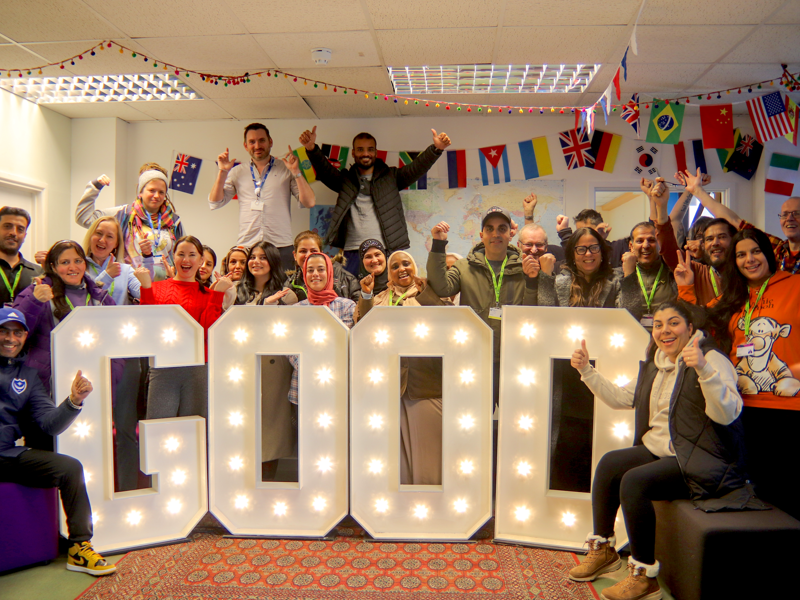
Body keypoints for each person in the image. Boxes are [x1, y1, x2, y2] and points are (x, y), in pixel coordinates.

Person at [568, 300, 757, 600]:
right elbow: (620, 398)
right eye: (658, 324)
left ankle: (644, 576)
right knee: (610, 464)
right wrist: (586, 371)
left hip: (704, 460)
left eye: (673, 323)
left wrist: (704, 369)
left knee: (634, 481)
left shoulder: (711, 360)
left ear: (691, 328)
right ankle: (603, 549)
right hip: (662, 450)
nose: (664, 330)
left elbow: (727, 414)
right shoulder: (657, 364)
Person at [677, 228, 800, 518]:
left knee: (792, 487)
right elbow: (697, 320)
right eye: (741, 255)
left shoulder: (795, 285)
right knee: (763, 491)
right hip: (745, 407)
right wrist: (685, 288)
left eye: (755, 251)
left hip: (790, 407)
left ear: (768, 255)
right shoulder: (734, 297)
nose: (749, 260)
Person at [0, 308, 116, 576]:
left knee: (70, 468)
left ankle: (79, 547)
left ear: (25, 336)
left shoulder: (28, 377)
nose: (10, 338)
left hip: (6, 454)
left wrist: (74, 401)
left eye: (17, 332)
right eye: (4, 331)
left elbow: (50, 424)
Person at [298, 126, 451, 275]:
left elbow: (416, 168)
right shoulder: (345, 180)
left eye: (370, 149)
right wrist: (311, 148)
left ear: (376, 152)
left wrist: (436, 149)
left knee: (386, 297)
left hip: (385, 250)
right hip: (352, 252)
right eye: (360, 149)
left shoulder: (391, 177)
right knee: (351, 297)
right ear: (353, 152)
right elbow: (324, 171)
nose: (366, 153)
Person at [357, 250, 449, 484]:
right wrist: (366, 295)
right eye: (395, 266)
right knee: (395, 458)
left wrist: (426, 292)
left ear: (415, 267)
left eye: (406, 263)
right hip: (390, 387)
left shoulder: (429, 295)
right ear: (389, 274)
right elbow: (364, 330)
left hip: (426, 386)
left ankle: (430, 506)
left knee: (429, 455)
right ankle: (404, 509)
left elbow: (447, 323)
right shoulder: (379, 299)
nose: (401, 269)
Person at [426, 206, 526, 407]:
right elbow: (441, 287)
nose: (495, 234)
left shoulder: (523, 267)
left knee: (516, 425)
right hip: (475, 361)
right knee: (474, 423)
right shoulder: (464, 267)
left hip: (515, 362)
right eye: (490, 229)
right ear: (482, 235)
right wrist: (438, 244)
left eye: (502, 228)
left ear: (510, 234)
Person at [81, 216, 150, 491]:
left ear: (117, 244)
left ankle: (127, 491)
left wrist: (147, 273)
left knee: (124, 428)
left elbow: (146, 295)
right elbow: (82, 298)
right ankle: (90, 492)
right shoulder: (76, 264)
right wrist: (106, 276)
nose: (103, 240)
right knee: (89, 427)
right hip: (87, 354)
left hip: (123, 354)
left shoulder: (126, 270)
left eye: (110, 237)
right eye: (99, 233)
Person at [134, 236, 232, 419]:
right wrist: (145, 288)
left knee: (195, 428)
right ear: (173, 257)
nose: (186, 260)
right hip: (163, 367)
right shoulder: (155, 289)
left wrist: (217, 295)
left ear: (201, 261)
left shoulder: (210, 295)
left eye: (192, 255)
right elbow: (146, 327)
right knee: (158, 425)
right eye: (181, 254)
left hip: (198, 369)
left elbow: (207, 333)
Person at [12, 241, 115, 395]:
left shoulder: (100, 297)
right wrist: (34, 301)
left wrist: (113, 374)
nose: (73, 267)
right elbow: (15, 331)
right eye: (65, 262)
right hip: (48, 384)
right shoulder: (37, 291)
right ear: (53, 267)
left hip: (93, 382)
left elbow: (115, 341)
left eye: (78, 261)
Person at [210, 123, 315, 271]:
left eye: (262, 140)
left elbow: (310, 202)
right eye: (252, 142)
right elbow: (215, 202)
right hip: (247, 245)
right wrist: (222, 171)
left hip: (281, 246)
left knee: (283, 292)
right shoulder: (237, 172)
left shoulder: (286, 168)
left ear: (270, 142)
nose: (257, 145)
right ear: (246, 146)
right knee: (249, 292)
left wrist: (296, 172)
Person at [678, 168, 800, 273]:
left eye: (796, 214)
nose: (789, 219)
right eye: (785, 215)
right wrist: (697, 191)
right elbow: (734, 221)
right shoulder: (776, 248)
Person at [75, 166, 184, 280]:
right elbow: (83, 218)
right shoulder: (123, 214)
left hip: (165, 287)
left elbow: (183, 254)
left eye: (161, 192)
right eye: (152, 190)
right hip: (130, 287)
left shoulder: (174, 221)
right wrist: (95, 187)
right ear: (140, 191)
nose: (156, 196)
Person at [522, 227, 622, 308]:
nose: (588, 254)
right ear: (573, 255)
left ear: (602, 252)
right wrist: (546, 277)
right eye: (581, 249)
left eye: (594, 248)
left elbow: (630, 316)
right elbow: (546, 316)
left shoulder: (616, 282)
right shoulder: (560, 282)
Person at [617, 221, 677, 330]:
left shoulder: (673, 273)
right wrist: (629, 276)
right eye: (640, 241)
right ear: (631, 246)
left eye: (651, 240)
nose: (646, 245)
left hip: (667, 336)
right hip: (631, 337)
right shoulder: (618, 276)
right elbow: (628, 316)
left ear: (659, 244)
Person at [283, 231, 360, 302]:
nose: (308, 255)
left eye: (313, 251)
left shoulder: (346, 278)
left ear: (322, 254)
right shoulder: (289, 285)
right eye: (303, 251)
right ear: (295, 255)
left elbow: (358, 311)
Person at [229, 242, 297, 308]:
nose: (256, 261)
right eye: (252, 257)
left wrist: (269, 306)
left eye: (263, 258)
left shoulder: (286, 295)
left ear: (273, 261)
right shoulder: (234, 289)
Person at [556, 209, 629, 268]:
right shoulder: (578, 252)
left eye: (587, 231)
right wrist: (564, 232)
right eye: (580, 232)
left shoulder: (619, 247)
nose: (582, 236)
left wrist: (599, 240)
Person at [0, 207, 42, 306]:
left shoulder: (39, 273)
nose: (13, 233)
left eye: (20, 229)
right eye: (7, 226)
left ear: (24, 235)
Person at [521, 192, 565, 264]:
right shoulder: (513, 263)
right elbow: (530, 234)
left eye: (539, 244)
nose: (534, 249)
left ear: (546, 246)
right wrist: (528, 212)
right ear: (518, 245)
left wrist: (565, 232)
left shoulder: (556, 254)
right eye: (529, 244)